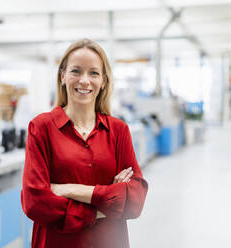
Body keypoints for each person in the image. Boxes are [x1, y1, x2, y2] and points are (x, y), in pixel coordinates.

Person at [21, 38, 148, 248]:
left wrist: (69, 190)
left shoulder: (118, 131)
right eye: (76, 71)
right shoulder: (41, 127)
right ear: (62, 76)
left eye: (94, 73)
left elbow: (134, 201)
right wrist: (106, 203)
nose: (84, 80)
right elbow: (35, 202)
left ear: (104, 81)